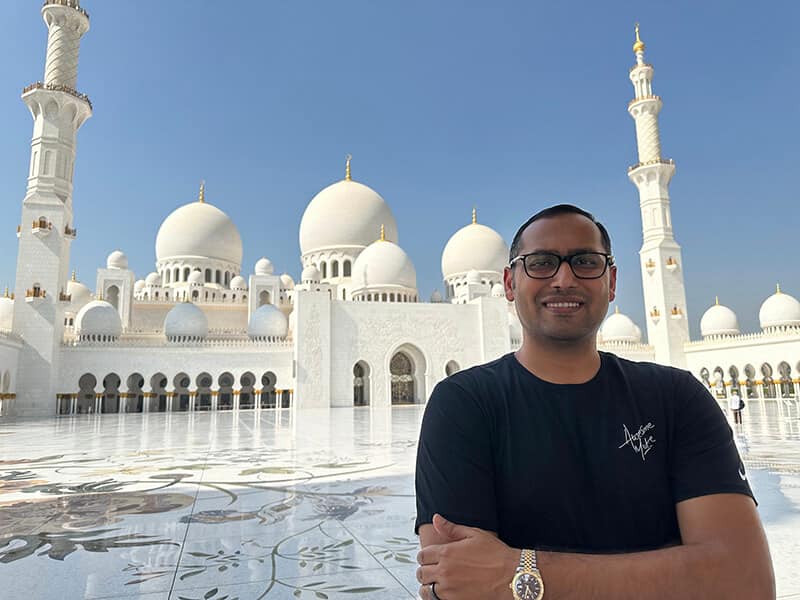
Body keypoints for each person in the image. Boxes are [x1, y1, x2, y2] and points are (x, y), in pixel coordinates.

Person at [414, 205, 774, 600]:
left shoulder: (677, 398)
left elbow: (745, 581)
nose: (564, 278)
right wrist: (676, 569)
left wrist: (517, 572)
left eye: (585, 261)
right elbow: (457, 586)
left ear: (612, 280)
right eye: (541, 263)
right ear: (509, 283)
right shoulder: (464, 404)